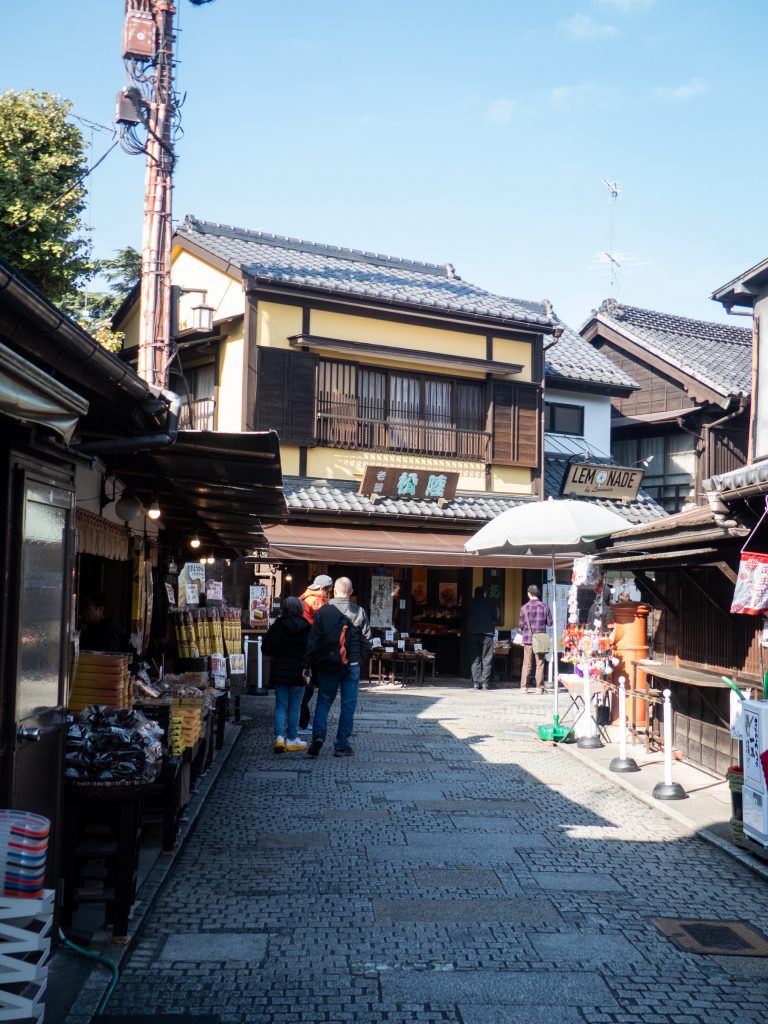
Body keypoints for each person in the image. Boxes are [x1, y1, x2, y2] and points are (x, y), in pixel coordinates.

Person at [302, 576, 372, 758]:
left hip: (328, 663)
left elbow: (313, 640)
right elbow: (367, 641)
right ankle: (341, 745)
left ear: (334, 591)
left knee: (324, 701)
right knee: (348, 705)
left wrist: (308, 663)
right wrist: (359, 658)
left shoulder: (323, 612)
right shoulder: (359, 611)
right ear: (350, 592)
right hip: (352, 663)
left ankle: (318, 735)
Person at [262, 596, 311, 754]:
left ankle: (279, 738)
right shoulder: (306, 627)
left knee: (281, 705)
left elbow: (266, 649)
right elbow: (311, 651)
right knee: (295, 706)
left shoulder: (277, 626)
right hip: (298, 672)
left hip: (280, 671)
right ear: (300, 609)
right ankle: (292, 738)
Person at [297, 574, 333, 732]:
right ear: (324, 589)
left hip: (302, 646)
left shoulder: (303, 597)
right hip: (311, 648)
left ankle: (299, 722)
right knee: (308, 687)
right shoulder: (317, 601)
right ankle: (302, 723)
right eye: (329, 591)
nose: (329, 594)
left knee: (304, 686)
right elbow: (323, 625)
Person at [519, 584, 553, 694]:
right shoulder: (544, 606)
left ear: (529, 594)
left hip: (528, 639)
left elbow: (521, 625)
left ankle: (524, 687)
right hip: (540, 639)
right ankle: (539, 688)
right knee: (540, 663)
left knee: (527, 663)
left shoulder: (524, 608)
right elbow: (550, 623)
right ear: (538, 594)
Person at [466, 585, 499, 691]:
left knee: (475, 658)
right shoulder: (490, 602)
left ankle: (476, 683)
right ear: (484, 593)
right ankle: (485, 683)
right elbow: (495, 616)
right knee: (486, 658)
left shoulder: (470, 602)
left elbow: (466, 616)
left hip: (473, 632)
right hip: (487, 633)